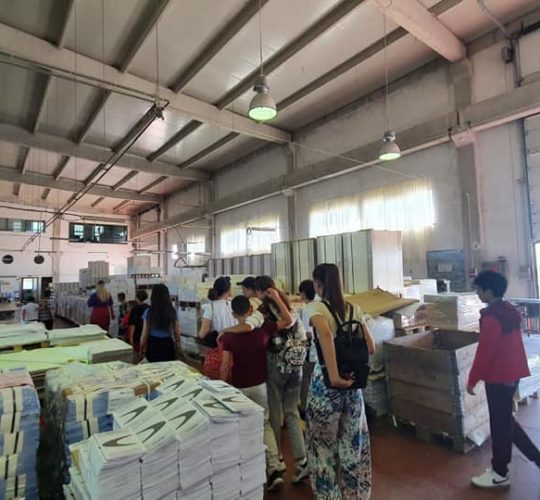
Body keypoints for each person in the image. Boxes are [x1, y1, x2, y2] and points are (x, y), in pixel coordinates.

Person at [222, 275, 308, 483]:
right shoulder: (288, 306)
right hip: (296, 366)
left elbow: (248, 327)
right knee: (292, 412)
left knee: (273, 415)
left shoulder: (262, 312)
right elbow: (291, 321)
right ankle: (302, 460)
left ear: (260, 292)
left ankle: (277, 460)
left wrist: (225, 331)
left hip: (276, 366)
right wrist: (277, 298)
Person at [305, 263, 375, 500]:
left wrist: (334, 375)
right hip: (353, 386)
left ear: (318, 284)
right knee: (352, 444)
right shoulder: (354, 308)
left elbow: (325, 333)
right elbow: (371, 347)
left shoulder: (315, 307)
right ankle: (355, 495)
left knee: (322, 448)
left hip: (326, 387)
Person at [467, 270, 540, 490]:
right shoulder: (507, 310)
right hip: (512, 374)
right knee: (506, 421)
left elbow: (485, 350)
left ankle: (500, 473)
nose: (477, 294)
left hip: (499, 376)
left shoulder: (492, 317)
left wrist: (472, 379)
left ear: (489, 292)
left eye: (479, 290)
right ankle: (537, 458)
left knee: (499, 426)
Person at [198, 277, 237, 380]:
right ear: (229, 290)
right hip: (235, 350)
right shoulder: (234, 305)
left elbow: (202, 333)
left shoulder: (210, 307)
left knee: (217, 382)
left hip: (219, 351)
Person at [140, 284, 180, 363]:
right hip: (167, 343)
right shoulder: (172, 311)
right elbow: (177, 332)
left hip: (153, 343)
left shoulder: (148, 312)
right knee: (168, 367)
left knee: (154, 367)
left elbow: (144, 334)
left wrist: (141, 348)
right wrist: (177, 343)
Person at [298, 279, 318, 419]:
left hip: (311, 351)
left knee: (305, 379)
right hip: (320, 351)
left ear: (304, 294)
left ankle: (304, 408)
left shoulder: (308, 309)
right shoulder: (320, 305)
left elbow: (307, 333)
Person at [128, 290, 149, 362]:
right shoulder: (149, 308)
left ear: (137, 298)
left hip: (137, 333)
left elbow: (132, 324)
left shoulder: (135, 309)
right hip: (147, 333)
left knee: (137, 354)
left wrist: (131, 337)